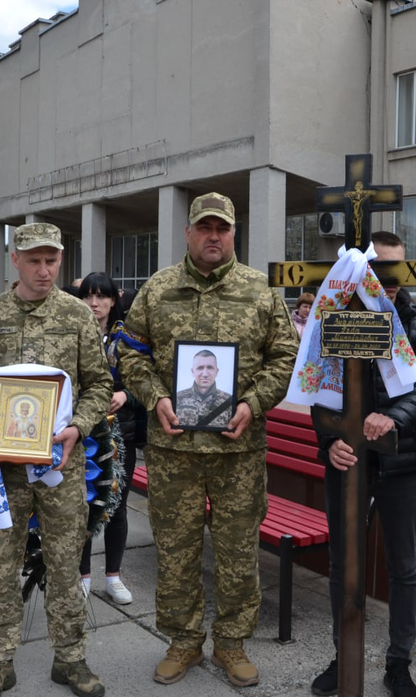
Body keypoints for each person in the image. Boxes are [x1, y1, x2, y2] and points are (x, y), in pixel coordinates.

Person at [117, 192, 297, 687]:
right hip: (174, 450)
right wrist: (155, 398)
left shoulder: (260, 292)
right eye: (204, 228)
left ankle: (232, 644)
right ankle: (183, 642)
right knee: (175, 551)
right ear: (189, 233)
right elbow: (129, 354)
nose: (213, 237)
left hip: (238, 452)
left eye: (222, 228)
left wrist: (251, 404)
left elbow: (285, 358)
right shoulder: (157, 290)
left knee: (238, 552)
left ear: (234, 233)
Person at [0, 222, 113, 697]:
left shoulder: (78, 315)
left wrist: (78, 426)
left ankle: (70, 660)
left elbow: (100, 384)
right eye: (34, 261)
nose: (44, 270)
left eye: (52, 260)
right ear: (15, 261)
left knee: (65, 565)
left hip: (60, 466)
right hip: (4, 471)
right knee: (2, 566)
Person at [310, 231, 416, 697]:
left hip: (400, 463)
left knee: (404, 567)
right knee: (343, 565)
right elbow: (320, 388)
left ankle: (399, 663)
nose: (387, 281)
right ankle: (343, 654)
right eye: (377, 269)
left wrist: (392, 418)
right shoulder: (337, 319)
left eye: (395, 271)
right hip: (346, 465)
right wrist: (328, 441)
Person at [77, 272, 142, 604]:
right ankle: (83, 575)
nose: (94, 303)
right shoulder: (74, 335)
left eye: (100, 296)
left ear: (113, 300)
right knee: (85, 503)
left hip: (120, 433)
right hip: (81, 433)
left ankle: (114, 576)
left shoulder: (126, 340)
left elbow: (145, 379)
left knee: (116, 506)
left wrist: (126, 395)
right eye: (88, 296)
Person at [174, 349, 233, 428]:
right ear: (192, 371)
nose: (205, 374)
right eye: (200, 368)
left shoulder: (229, 401)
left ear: (217, 371)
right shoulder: (178, 398)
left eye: (210, 367)